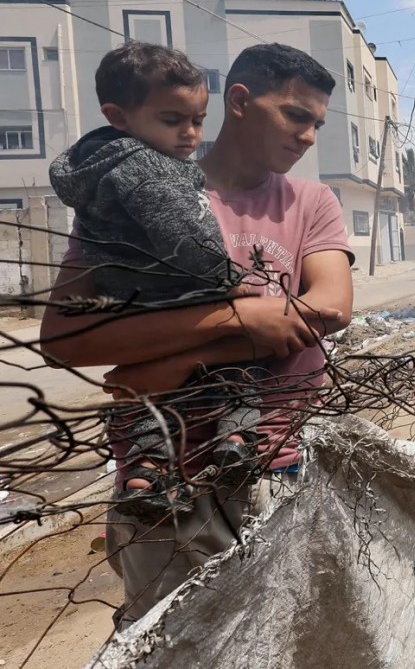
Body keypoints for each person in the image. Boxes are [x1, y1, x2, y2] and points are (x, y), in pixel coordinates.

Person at [40, 43, 354, 629]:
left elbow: (330, 308)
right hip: (163, 486)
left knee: (288, 638)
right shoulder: (128, 195)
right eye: (295, 116)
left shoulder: (312, 202)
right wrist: (247, 322)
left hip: (275, 465)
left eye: (316, 123)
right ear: (239, 101)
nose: (308, 136)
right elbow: (64, 336)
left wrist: (182, 360)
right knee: (173, 642)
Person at [47, 41, 265, 523]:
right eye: (173, 121)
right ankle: (237, 440)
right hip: (180, 288)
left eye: (198, 121)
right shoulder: (143, 166)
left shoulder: (99, 164)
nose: (190, 134)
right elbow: (182, 235)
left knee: (152, 398)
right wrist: (227, 281)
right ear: (118, 115)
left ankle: (145, 474)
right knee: (240, 362)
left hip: (131, 301)